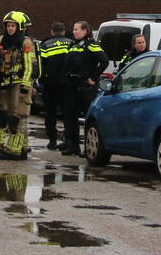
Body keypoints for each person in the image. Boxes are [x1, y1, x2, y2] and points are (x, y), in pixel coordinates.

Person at [0, 11, 36, 160]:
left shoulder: (26, 43)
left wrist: (25, 86)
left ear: (19, 27)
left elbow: (30, 66)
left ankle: (13, 150)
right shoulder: (0, 42)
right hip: (5, 84)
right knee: (6, 115)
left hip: (19, 84)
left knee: (18, 117)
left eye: (13, 26)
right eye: (8, 26)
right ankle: (20, 148)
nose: (10, 28)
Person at [62, 20, 108, 156]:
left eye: (77, 29)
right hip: (72, 84)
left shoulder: (91, 45)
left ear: (85, 31)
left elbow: (104, 61)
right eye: (74, 29)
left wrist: (93, 78)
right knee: (70, 116)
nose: (74, 31)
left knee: (89, 118)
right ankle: (72, 145)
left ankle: (89, 148)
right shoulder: (73, 45)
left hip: (85, 86)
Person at [38, 21, 73, 150]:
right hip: (66, 85)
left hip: (49, 85)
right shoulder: (71, 43)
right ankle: (67, 139)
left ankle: (52, 141)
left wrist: (41, 81)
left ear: (52, 31)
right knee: (67, 113)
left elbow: (40, 65)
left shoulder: (45, 44)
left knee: (50, 114)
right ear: (64, 31)